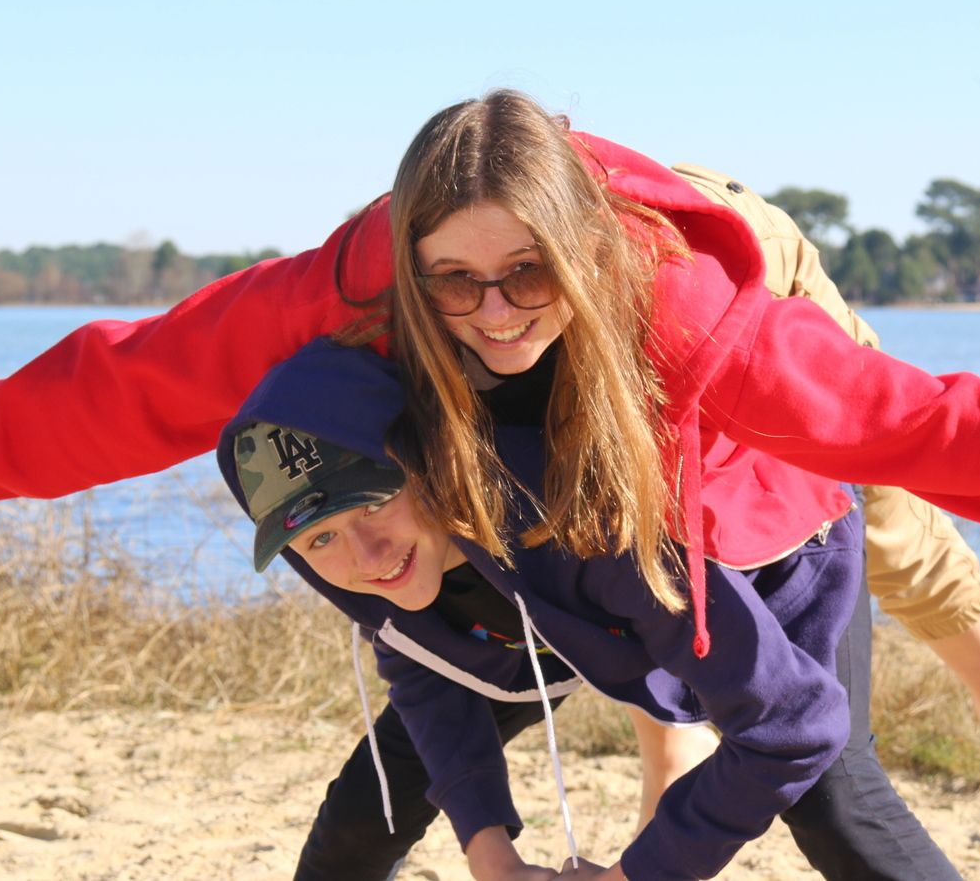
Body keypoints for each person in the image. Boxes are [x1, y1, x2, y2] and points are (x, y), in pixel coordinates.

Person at [0, 90, 980, 874]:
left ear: (578, 253)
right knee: (430, 705)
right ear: (407, 265)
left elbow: (935, 428)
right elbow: (136, 379)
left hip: (724, 457)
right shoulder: (348, 295)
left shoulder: (698, 320)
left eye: (526, 275)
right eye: (454, 280)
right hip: (516, 510)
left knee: (833, 706)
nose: (493, 311)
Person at [222, 337, 869, 881]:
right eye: (320, 538)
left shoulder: (587, 525)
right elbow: (421, 668)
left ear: (428, 463)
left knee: (835, 804)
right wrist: (492, 856)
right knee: (366, 811)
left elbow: (795, 726)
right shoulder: (382, 569)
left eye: (373, 503)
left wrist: (635, 874)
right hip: (535, 625)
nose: (368, 555)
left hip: (773, 547)